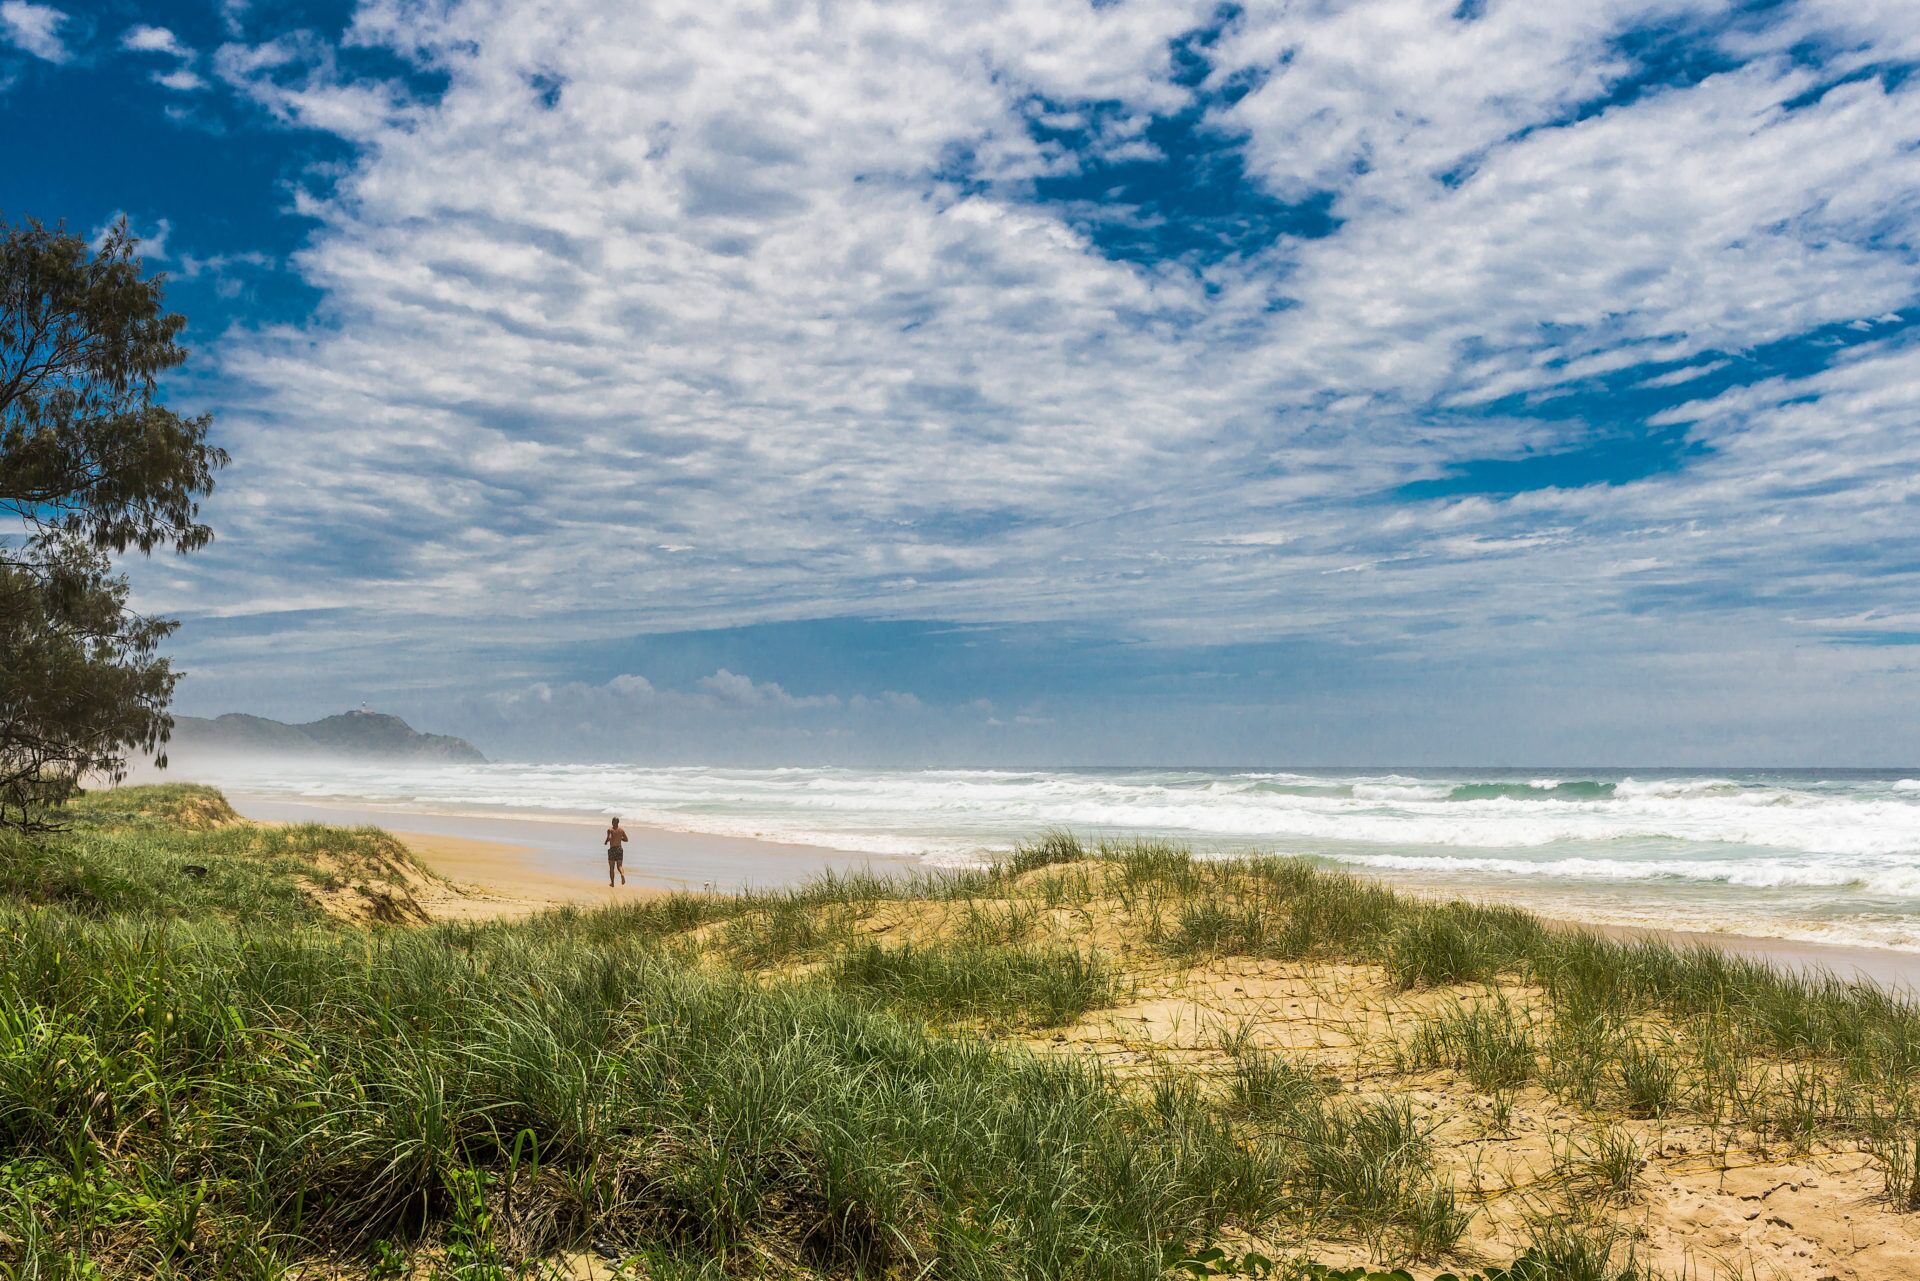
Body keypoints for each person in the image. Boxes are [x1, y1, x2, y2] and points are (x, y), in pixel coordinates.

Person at [604, 816, 629, 886]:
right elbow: (626, 840)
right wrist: (620, 839)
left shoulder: (610, 830)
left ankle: (612, 883)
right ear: (618, 822)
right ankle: (622, 874)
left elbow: (608, 838)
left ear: (612, 822)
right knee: (620, 866)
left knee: (612, 868)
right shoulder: (621, 830)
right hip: (619, 849)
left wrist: (606, 842)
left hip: (612, 849)